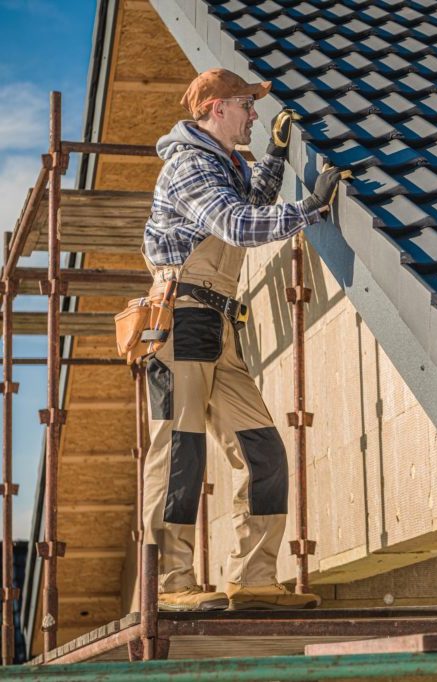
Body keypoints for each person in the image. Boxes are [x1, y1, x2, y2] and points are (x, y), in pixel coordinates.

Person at [141, 68, 347, 611]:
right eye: (245, 105)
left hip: (217, 325)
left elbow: (252, 198)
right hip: (182, 317)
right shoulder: (188, 165)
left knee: (264, 453)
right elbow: (236, 224)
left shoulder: (221, 163)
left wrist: (276, 156)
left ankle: (253, 581)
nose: (254, 114)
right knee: (180, 453)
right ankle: (168, 587)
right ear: (214, 108)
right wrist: (311, 209)